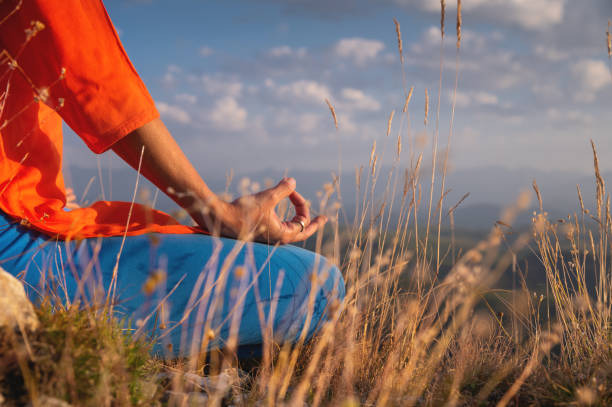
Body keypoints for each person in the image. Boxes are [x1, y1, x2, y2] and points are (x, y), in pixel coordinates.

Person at [0, 0, 344, 356]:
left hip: (17, 221)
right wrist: (217, 212)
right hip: (10, 246)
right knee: (318, 287)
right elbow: (96, 79)